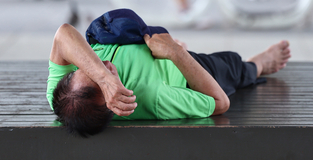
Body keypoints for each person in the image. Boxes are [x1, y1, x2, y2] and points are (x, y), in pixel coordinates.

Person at [46, 9, 291, 137]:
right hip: (185, 70)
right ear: (113, 106)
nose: (106, 65)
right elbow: (220, 102)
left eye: (91, 68)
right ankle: (258, 64)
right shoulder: (154, 98)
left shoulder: (61, 98)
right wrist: (176, 53)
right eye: (106, 87)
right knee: (231, 66)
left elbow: (63, 34)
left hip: (150, 45)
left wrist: (103, 78)